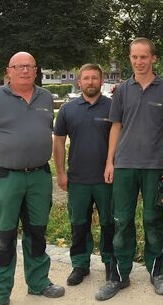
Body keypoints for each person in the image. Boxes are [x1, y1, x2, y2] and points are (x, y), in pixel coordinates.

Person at [0, 51, 65, 304]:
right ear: (9, 70)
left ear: (36, 70)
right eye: (19, 66)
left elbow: (46, 130)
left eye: (30, 66)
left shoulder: (45, 97)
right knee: (4, 237)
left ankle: (38, 282)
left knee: (37, 233)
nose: (25, 70)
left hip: (38, 177)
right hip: (6, 179)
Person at [95, 38, 163, 301]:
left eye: (144, 57)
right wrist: (110, 161)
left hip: (156, 166)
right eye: (134, 57)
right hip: (124, 166)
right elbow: (116, 126)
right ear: (130, 58)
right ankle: (120, 275)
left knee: (153, 220)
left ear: (153, 58)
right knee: (122, 221)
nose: (139, 62)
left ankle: (157, 272)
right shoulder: (122, 91)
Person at [53, 63, 114, 287]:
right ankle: (80, 265)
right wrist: (60, 173)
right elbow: (58, 143)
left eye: (94, 78)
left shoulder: (113, 107)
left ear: (101, 80)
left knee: (109, 223)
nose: (90, 82)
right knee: (78, 223)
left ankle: (110, 262)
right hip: (77, 179)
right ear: (79, 82)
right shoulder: (68, 110)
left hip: (106, 180)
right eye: (86, 78)